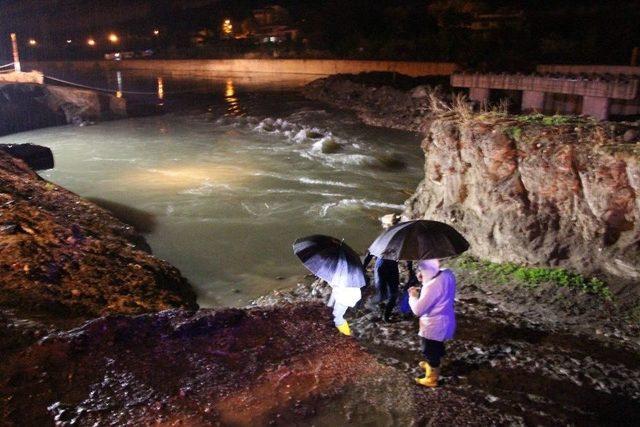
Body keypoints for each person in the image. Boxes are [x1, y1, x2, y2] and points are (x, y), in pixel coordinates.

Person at [408, 259, 457, 388]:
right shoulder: (447, 273)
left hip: (433, 325)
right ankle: (431, 365)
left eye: (422, 271)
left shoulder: (431, 286)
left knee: (429, 350)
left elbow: (418, 310)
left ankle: (432, 378)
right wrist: (424, 279)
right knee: (437, 345)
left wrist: (413, 296)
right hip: (446, 318)